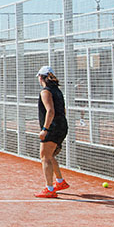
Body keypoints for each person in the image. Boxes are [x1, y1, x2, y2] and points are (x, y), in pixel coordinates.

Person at [34, 65, 70, 198]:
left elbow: (50, 111)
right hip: (62, 126)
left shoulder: (46, 91)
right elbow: (63, 110)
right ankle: (60, 181)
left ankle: (50, 188)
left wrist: (45, 129)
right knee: (50, 155)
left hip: (53, 127)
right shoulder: (58, 91)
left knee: (45, 157)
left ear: (41, 77)